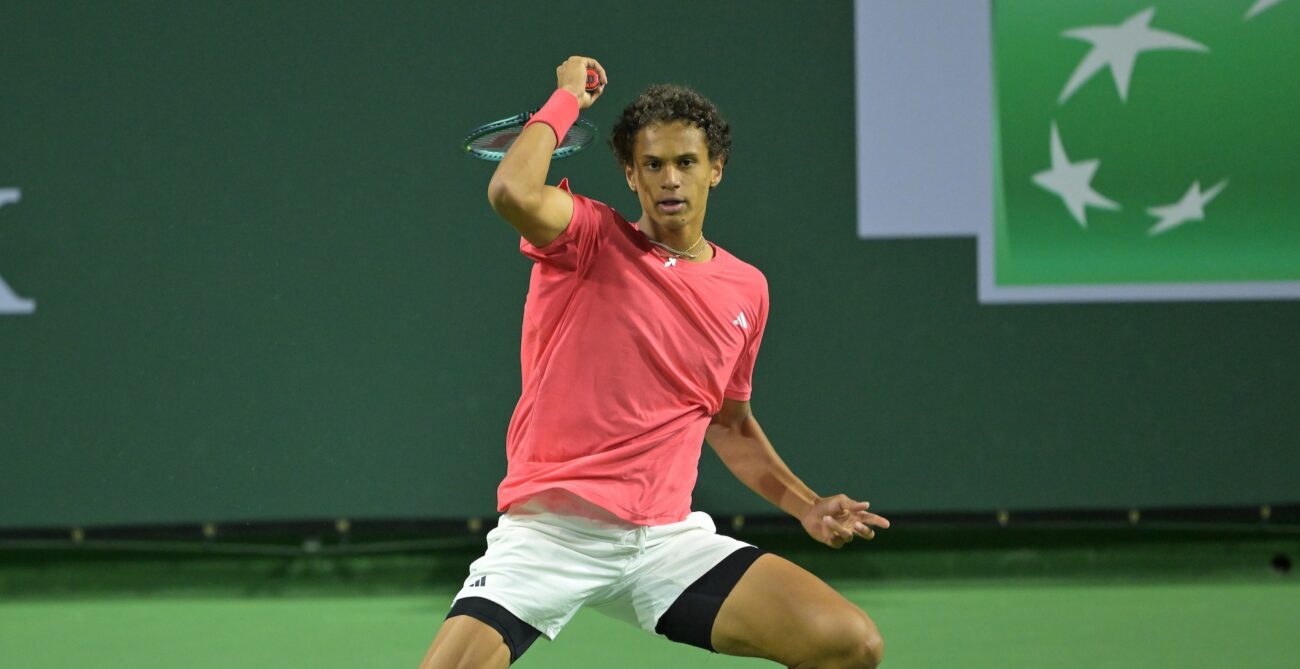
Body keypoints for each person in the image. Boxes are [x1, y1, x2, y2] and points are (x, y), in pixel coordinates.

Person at [420, 55, 890, 669]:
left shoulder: (747, 289)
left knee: (850, 644)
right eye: (653, 165)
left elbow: (727, 421)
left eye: (687, 163)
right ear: (631, 175)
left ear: (715, 170)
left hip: (665, 542)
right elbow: (511, 190)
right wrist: (564, 101)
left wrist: (806, 504)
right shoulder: (589, 238)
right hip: (552, 535)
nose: (671, 179)